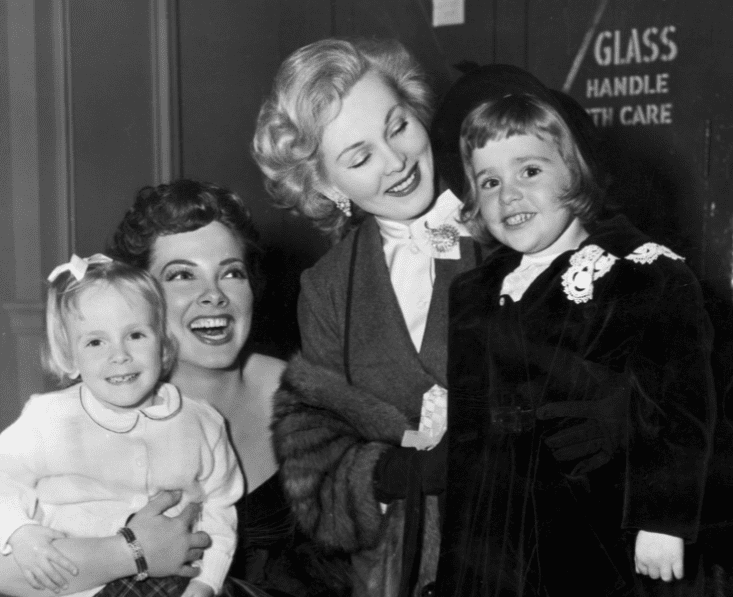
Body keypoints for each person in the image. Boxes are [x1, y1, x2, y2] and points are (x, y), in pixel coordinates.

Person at [434, 65, 715, 596]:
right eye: (489, 181)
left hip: (595, 528)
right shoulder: (473, 293)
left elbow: (683, 406)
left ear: (575, 172)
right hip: (494, 533)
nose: (508, 194)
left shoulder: (639, 272)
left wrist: (664, 520)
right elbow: (470, 436)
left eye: (530, 171)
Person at [252, 38, 483, 597]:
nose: (396, 161)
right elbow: (322, 450)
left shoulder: (506, 220)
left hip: (519, 548)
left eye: (398, 127)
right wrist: (389, 474)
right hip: (396, 571)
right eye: (360, 157)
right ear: (329, 186)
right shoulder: (328, 287)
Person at [109, 179, 343, 597]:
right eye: (182, 275)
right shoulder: (107, 415)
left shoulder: (299, 392)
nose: (213, 295)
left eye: (231, 273)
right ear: (139, 299)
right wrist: (126, 553)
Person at [0, 255, 243, 597]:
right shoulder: (50, 418)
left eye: (136, 335)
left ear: (163, 345)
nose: (120, 355)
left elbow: (219, 507)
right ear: (70, 356)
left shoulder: (202, 422)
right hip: (76, 583)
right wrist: (18, 532)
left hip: (173, 581)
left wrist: (206, 583)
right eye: (95, 342)